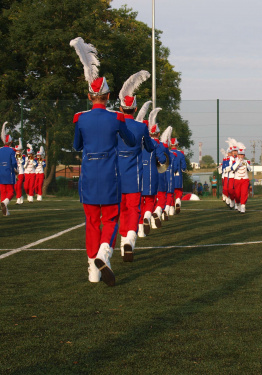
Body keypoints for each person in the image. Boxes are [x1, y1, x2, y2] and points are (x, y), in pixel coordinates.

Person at [71, 36, 136, 286]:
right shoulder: (117, 119)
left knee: (91, 221)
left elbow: (77, 145)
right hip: (110, 175)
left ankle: (92, 269)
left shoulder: (79, 118)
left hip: (89, 175)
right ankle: (103, 253)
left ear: (89, 96)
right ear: (108, 97)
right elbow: (130, 140)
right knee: (110, 218)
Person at [117, 72, 155, 261]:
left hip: (115, 176)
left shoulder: (114, 125)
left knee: (120, 210)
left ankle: (124, 239)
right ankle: (130, 239)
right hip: (134, 175)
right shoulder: (140, 128)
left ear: (120, 107)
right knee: (133, 209)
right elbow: (149, 147)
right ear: (136, 108)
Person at [137, 108, 167, 237]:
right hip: (151, 173)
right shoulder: (158, 145)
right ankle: (148, 216)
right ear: (158, 134)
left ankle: (140, 232)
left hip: (138, 173)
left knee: (138, 203)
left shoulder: (138, 142)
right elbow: (163, 159)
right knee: (150, 200)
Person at [0, 122, 17, 216]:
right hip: (8, 172)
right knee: (10, 192)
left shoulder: (0, 150)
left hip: (0, 173)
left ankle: (5, 212)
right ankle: (5, 203)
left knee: (3, 192)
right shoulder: (11, 150)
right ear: (10, 142)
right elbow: (13, 162)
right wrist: (16, 169)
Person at [231, 144, 251, 213]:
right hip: (237, 180)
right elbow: (233, 169)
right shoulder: (235, 161)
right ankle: (237, 204)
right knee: (237, 194)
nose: (241, 156)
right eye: (240, 155)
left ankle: (243, 206)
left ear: (244, 156)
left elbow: (250, 169)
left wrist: (245, 164)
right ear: (238, 155)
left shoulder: (246, 162)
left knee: (244, 193)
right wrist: (238, 162)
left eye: (242, 155)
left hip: (245, 180)